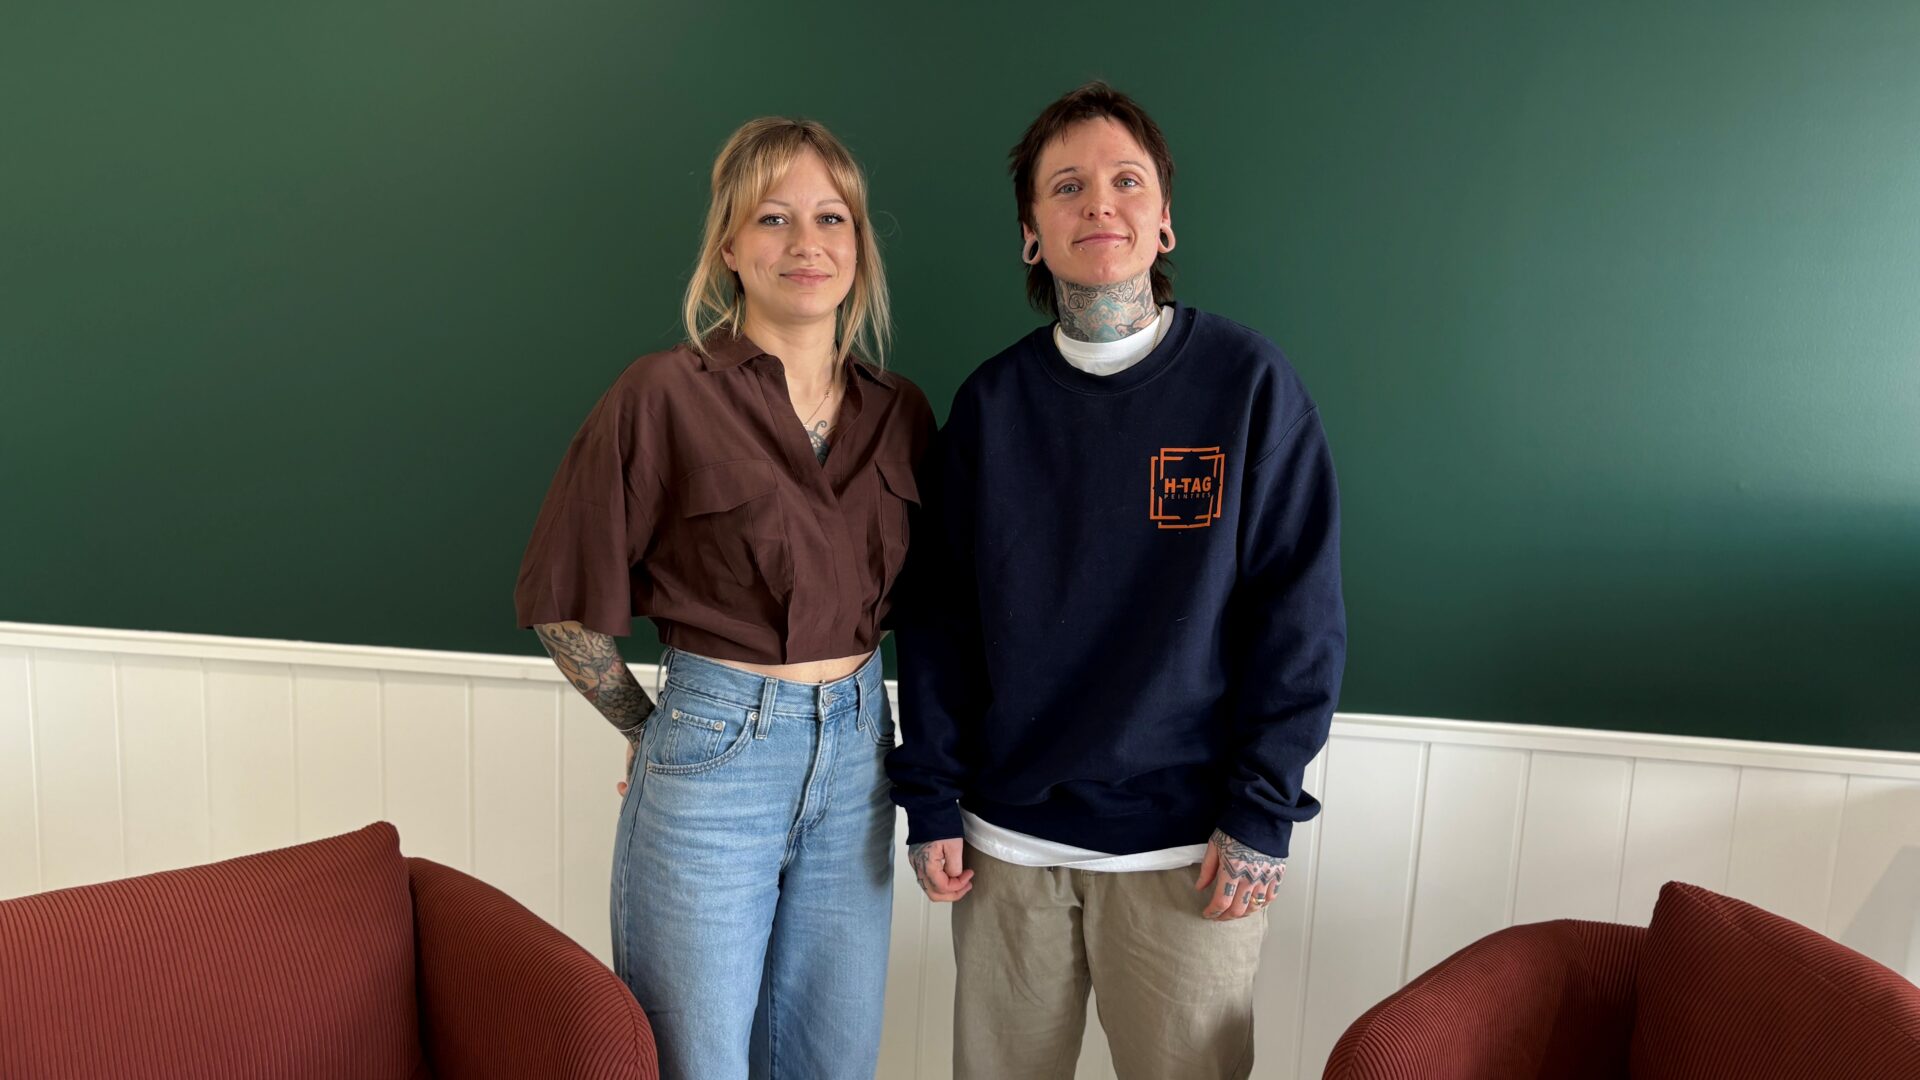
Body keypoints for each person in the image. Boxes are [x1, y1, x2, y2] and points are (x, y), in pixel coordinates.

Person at [888, 82, 1345, 1080]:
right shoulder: (991, 408)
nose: (1100, 202)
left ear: (1165, 218)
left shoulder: (1249, 387)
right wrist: (930, 799)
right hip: (1007, 848)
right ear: (1030, 234)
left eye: (1126, 181)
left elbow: (1299, 619)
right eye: (1067, 186)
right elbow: (937, 623)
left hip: (1193, 854)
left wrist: (1262, 811)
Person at [514, 116, 933, 1080]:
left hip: (862, 758)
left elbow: (940, 611)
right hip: (716, 756)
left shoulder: (901, 411)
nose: (806, 242)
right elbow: (561, 598)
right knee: (695, 1059)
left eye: (831, 217)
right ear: (730, 248)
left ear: (859, 245)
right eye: (774, 218)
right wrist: (651, 726)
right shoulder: (662, 394)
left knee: (832, 1061)